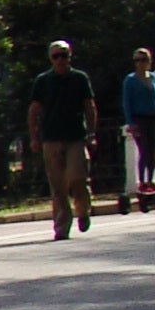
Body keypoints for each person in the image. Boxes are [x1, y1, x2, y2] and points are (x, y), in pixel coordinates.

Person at [28, 40, 98, 237]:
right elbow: (34, 111)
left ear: (70, 56)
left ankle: (83, 210)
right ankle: (61, 227)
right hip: (51, 138)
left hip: (75, 136)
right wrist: (34, 137)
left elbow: (90, 107)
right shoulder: (43, 81)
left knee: (78, 178)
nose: (60, 60)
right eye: (56, 56)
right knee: (58, 185)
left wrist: (92, 134)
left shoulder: (80, 78)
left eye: (64, 55)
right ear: (51, 59)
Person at [120, 48, 155, 212]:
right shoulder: (130, 80)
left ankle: (150, 179)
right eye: (137, 60)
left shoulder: (153, 77)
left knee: (153, 152)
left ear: (149, 61)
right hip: (138, 118)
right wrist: (130, 122)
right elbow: (127, 102)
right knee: (143, 150)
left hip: (152, 117)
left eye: (143, 60)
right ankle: (142, 181)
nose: (140, 63)